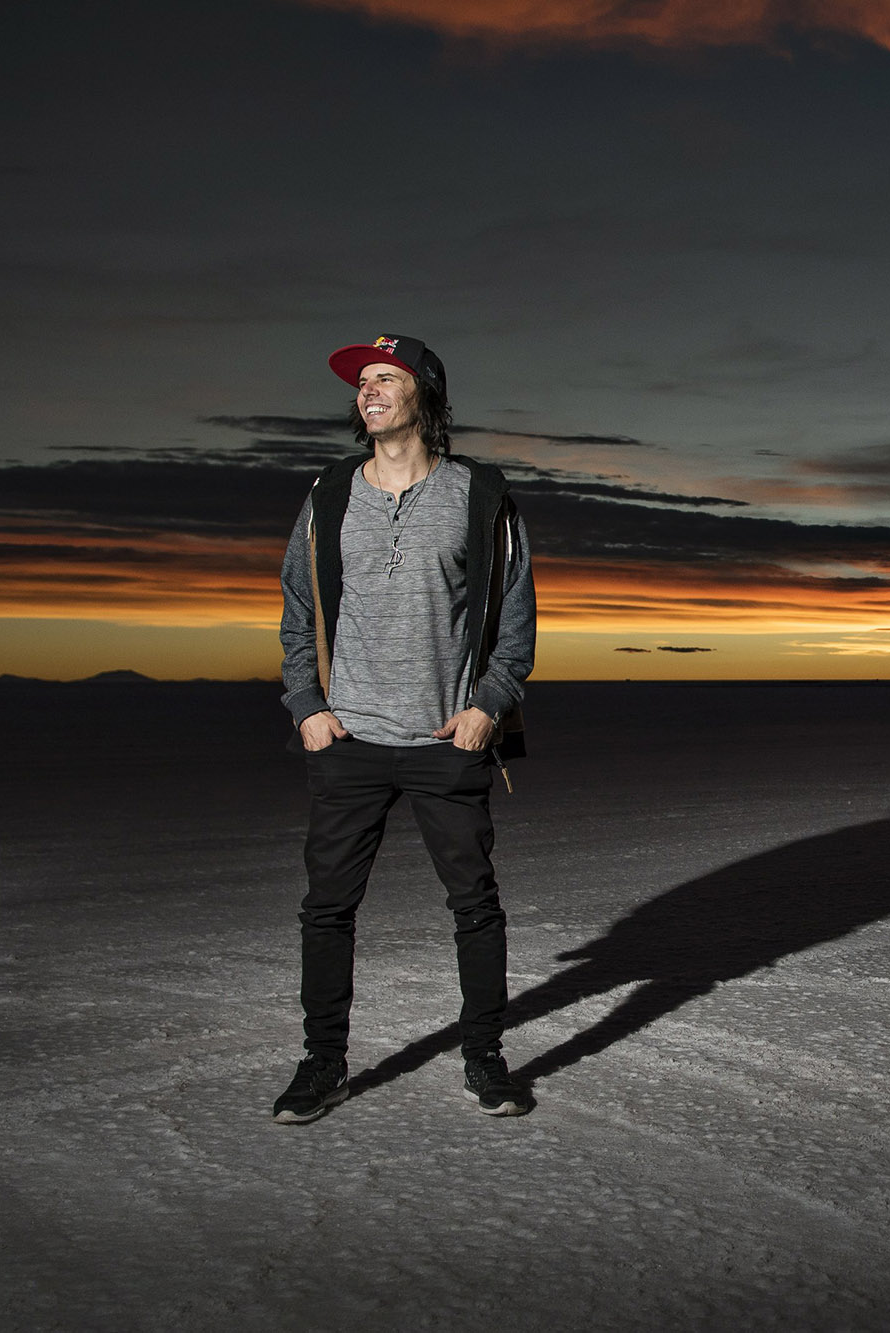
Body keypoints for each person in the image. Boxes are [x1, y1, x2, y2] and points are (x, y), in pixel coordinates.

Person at [271, 334, 536, 1122]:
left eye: (386, 378)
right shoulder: (328, 494)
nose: (369, 391)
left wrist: (487, 705)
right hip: (347, 741)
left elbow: (516, 619)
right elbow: (295, 608)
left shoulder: (480, 496)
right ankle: (324, 1065)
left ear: (426, 393)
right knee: (326, 909)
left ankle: (485, 1058)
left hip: (443, 742)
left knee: (475, 907)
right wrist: (307, 706)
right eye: (362, 382)